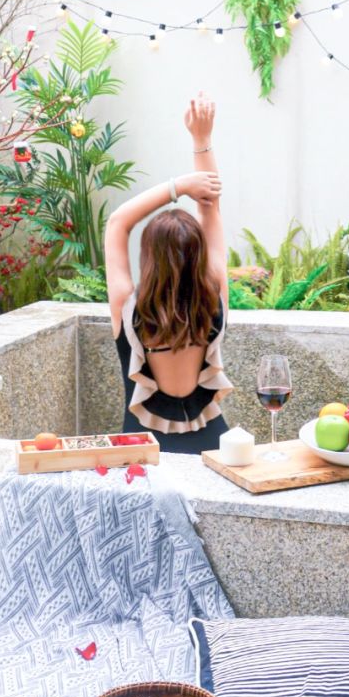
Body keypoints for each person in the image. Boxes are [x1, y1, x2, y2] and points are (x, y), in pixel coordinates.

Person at [105, 92, 232, 453]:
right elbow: (211, 207)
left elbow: (117, 223)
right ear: (199, 255)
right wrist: (201, 141)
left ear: (149, 257)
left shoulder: (127, 308)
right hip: (214, 445)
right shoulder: (214, 297)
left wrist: (178, 187)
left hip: (142, 448)